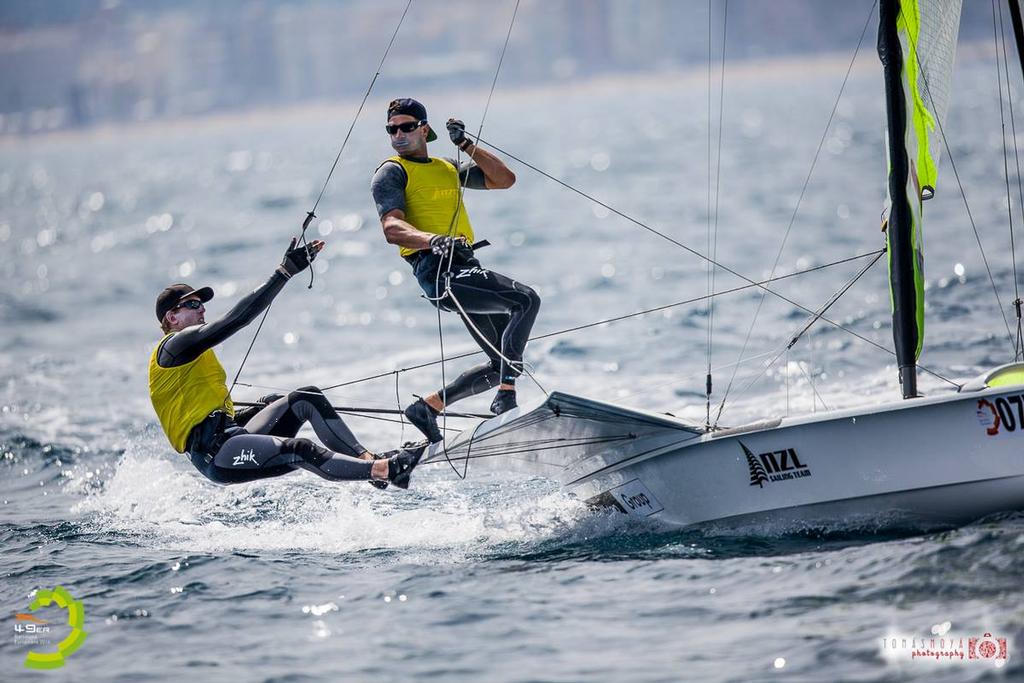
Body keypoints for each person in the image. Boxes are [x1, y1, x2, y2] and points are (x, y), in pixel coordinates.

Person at [148, 237, 425, 489]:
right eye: (193, 305)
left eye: (202, 304)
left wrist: (258, 408)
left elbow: (206, 407)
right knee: (301, 449)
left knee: (306, 398)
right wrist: (283, 273)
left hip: (231, 434)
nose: (203, 309)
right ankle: (383, 469)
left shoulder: (192, 353)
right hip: (215, 454)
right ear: (172, 317)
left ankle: (369, 461)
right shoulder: (174, 347)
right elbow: (236, 319)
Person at [371, 97, 542, 443]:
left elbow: (504, 180)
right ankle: (506, 398)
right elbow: (391, 228)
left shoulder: (447, 167)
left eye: (406, 127)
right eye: (392, 129)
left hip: (466, 265)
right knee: (526, 300)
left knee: (503, 364)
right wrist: (432, 240)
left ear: (424, 129)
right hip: (439, 272)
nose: (398, 135)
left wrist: (466, 144)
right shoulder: (391, 172)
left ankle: (429, 407)